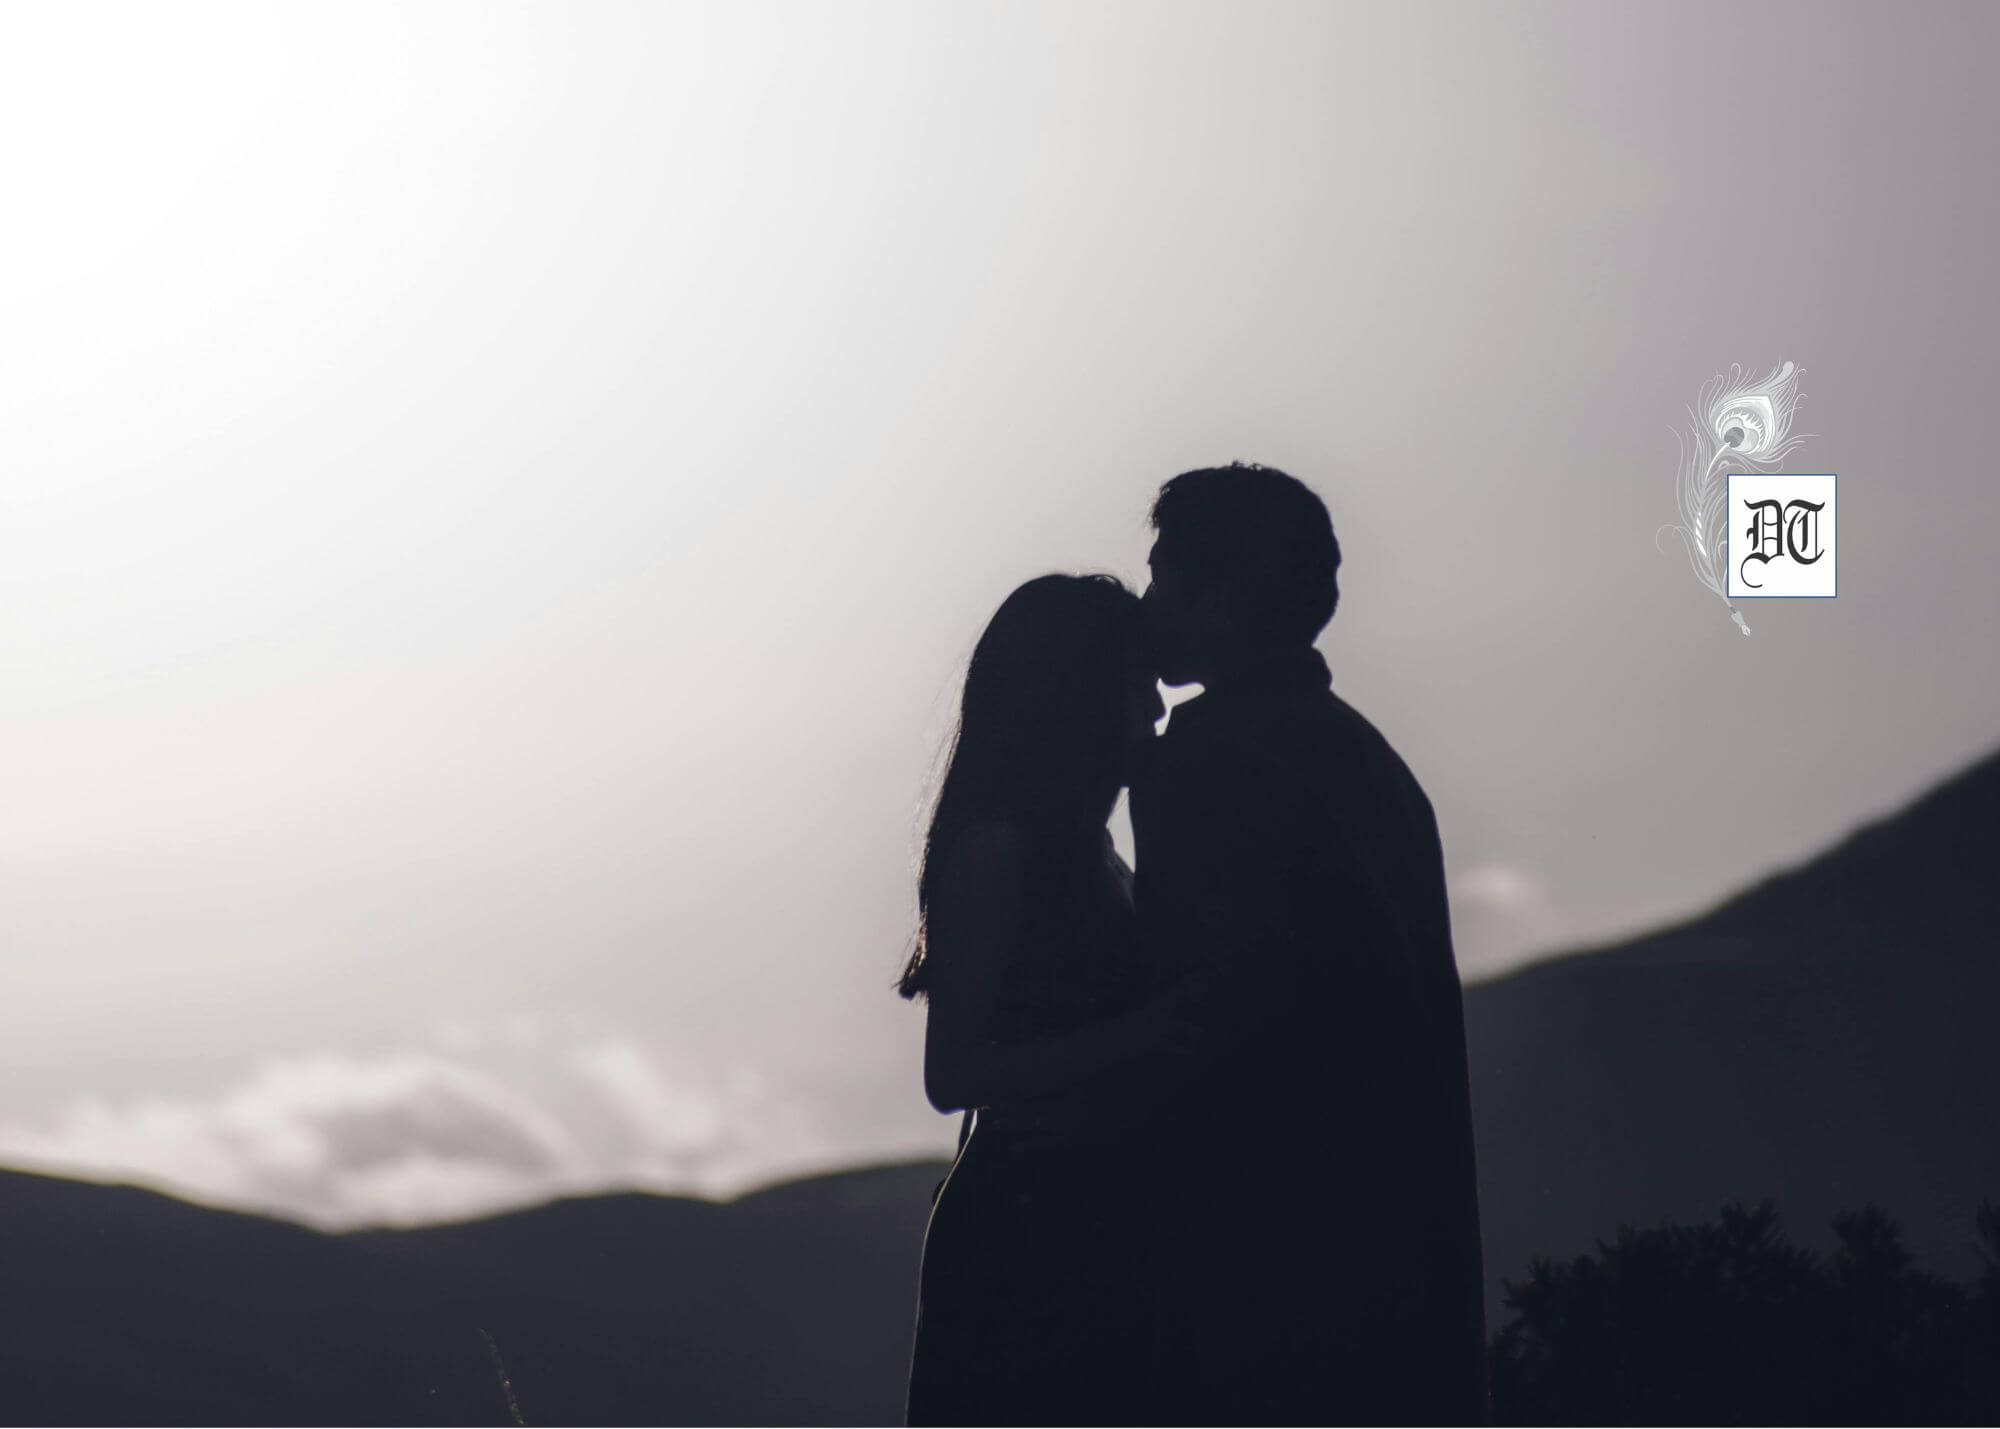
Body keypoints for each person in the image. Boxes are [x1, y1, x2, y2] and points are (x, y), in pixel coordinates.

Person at [1124, 462, 1489, 1424]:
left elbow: (1188, 1017)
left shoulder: (1203, 760)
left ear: (1219, 597)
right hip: (1394, 1269)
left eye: (1162, 576)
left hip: (1257, 1274)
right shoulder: (1379, 768)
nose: (1146, 603)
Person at [895, 573, 1205, 1426]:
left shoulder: (1092, 847)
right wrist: (1146, 1034)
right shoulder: (997, 849)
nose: (1157, 708)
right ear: (1076, 693)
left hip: (1085, 1223)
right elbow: (954, 1073)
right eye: (1135, 682)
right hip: (1023, 1237)